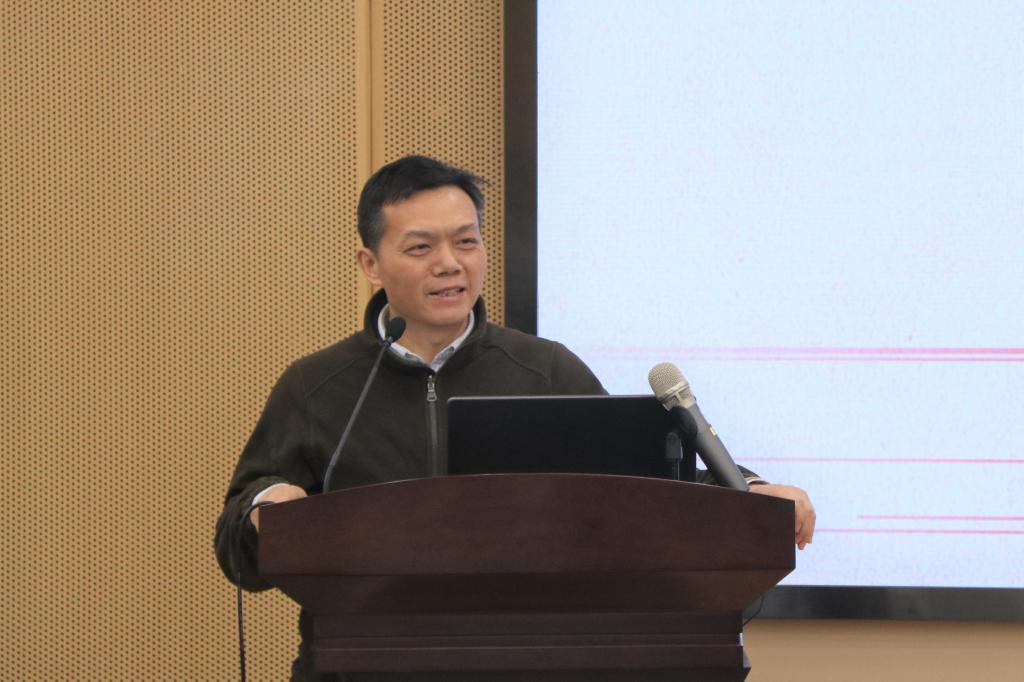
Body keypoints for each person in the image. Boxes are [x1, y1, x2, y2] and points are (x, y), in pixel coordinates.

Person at [215, 155, 815, 680]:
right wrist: (265, 511)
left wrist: (752, 494)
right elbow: (237, 548)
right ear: (370, 264)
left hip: (532, 663)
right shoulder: (316, 386)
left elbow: (652, 487)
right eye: (421, 248)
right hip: (359, 665)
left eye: (466, 242)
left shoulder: (545, 370)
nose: (449, 264)